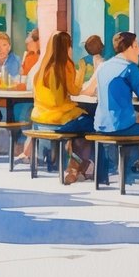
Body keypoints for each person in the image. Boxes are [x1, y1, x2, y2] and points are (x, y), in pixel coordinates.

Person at [30, 30, 95, 184]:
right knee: (92, 124)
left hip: (40, 118)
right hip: (60, 118)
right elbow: (75, 90)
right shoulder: (65, 65)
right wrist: (82, 72)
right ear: (66, 47)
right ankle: (77, 166)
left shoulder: (42, 68)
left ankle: (79, 167)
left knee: (81, 128)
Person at [93, 31, 139, 180]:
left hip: (100, 124)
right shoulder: (130, 68)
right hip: (120, 126)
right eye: (137, 46)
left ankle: (121, 171)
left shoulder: (103, 67)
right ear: (130, 47)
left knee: (133, 123)